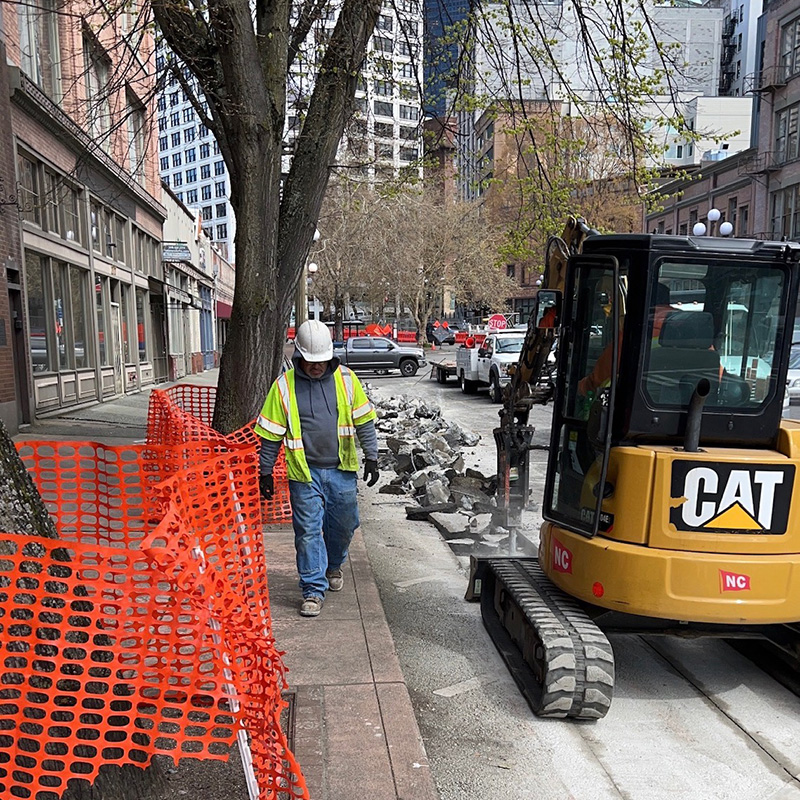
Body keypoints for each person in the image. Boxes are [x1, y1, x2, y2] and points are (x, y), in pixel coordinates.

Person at [255, 320, 379, 618]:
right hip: (304, 474)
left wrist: (373, 457)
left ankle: (333, 565)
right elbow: (271, 434)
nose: (316, 366)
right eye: (310, 361)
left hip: (341, 470)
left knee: (345, 525)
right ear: (299, 355)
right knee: (308, 532)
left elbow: (364, 421)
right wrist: (265, 471)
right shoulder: (283, 386)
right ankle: (312, 588)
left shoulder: (346, 380)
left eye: (321, 361)